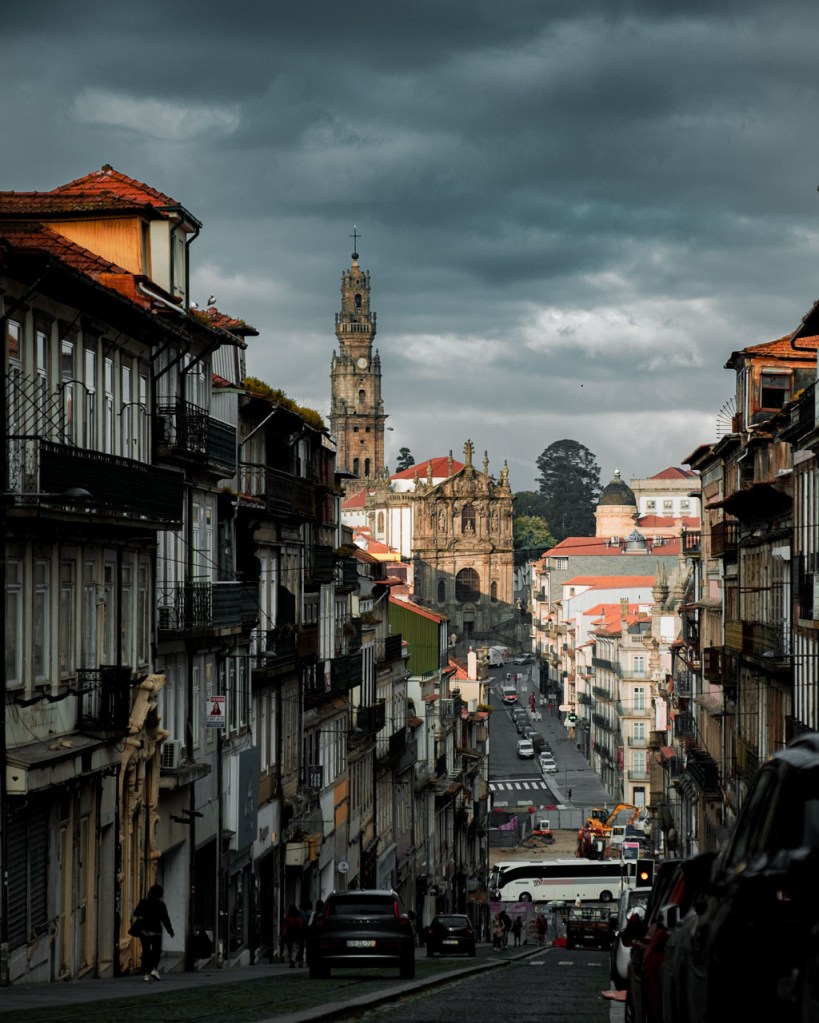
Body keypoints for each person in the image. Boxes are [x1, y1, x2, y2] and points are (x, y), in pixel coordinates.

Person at [131, 884, 174, 981]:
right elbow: (165, 920)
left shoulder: (143, 902)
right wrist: (170, 931)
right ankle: (154, 969)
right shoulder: (161, 905)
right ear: (160, 894)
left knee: (146, 951)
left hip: (144, 931)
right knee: (156, 951)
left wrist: (143, 915)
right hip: (156, 932)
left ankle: (146, 974)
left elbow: (136, 913)